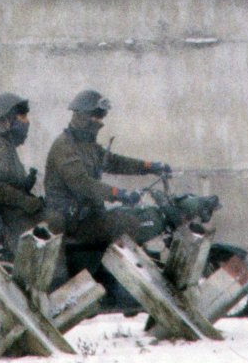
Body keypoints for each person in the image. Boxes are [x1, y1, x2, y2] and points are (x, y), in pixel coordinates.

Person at [43, 89, 172, 247]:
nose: (100, 121)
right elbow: (82, 183)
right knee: (130, 223)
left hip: (88, 216)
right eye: (96, 116)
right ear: (82, 116)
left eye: (101, 116)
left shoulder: (88, 146)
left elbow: (115, 162)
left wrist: (150, 166)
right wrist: (119, 194)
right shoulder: (64, 146)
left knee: (142, 218)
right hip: (70, 222)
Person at [0, 92, 45, 258]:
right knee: (59, 224)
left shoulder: (5, 146)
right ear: (7, 120)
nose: (26, 121)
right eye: (22, 116)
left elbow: (4, 180)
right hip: (12, 224)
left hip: (15, 218)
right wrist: (24, 201)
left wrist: (25, 184)